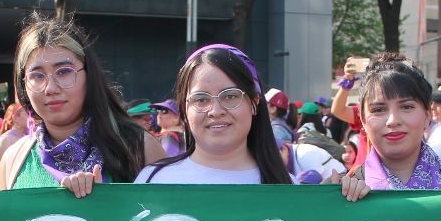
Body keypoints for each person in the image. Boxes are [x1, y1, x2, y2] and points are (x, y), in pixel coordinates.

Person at [134, 44, 367, 200]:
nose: (215, 110)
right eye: (201, 99)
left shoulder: (289, 190)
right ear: (184, 109)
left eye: (231, 96)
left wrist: (332, 206)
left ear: (254, 103)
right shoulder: (152, 181)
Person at [0, 13, 165, 196]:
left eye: (64, 72)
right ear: (23, 83)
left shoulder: (140, 148)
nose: (50, 88)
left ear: (89, 74)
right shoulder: (13, 160)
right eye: (37, 75)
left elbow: (170, 220)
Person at [351, 55, 441, 193]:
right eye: (378, 110)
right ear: (363, 120)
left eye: (407, 107)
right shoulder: (344, 191)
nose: (393, 121)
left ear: (427, 115)